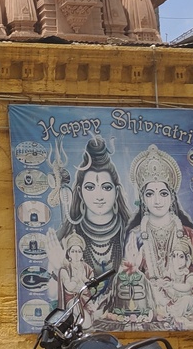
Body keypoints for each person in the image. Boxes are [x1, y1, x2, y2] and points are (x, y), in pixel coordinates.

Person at [46, 133, 132, 320]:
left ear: (117, 191)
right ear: (79, 191)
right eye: (90, 187)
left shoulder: (131, 233)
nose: (99, 196)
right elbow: (51, 294)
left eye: (106, 187)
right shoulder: (67, 237)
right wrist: (59, 266)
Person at [120, 144, 193, 329]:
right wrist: (136, 271)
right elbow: (128, 276)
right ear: (143, 199)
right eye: (150, 194)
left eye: (163, 193)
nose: (157, 201)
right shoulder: (135, 236)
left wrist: (180, 284)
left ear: (172, 198)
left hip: (182, 296)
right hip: (151, 296)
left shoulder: (188, 234)